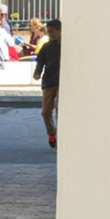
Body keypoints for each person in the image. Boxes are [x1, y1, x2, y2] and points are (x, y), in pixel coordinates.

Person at [34, 18, 62, 149]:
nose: (49, 34)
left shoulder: (65, 46)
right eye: (48, 32)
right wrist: (37, 73)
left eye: (52, 32)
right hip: (49, 81)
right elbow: (40, 62)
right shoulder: (46, 47)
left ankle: (63, 135)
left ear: (60, 31)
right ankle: (52, 133)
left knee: (59, 108)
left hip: (62, 82)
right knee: (46, 112)